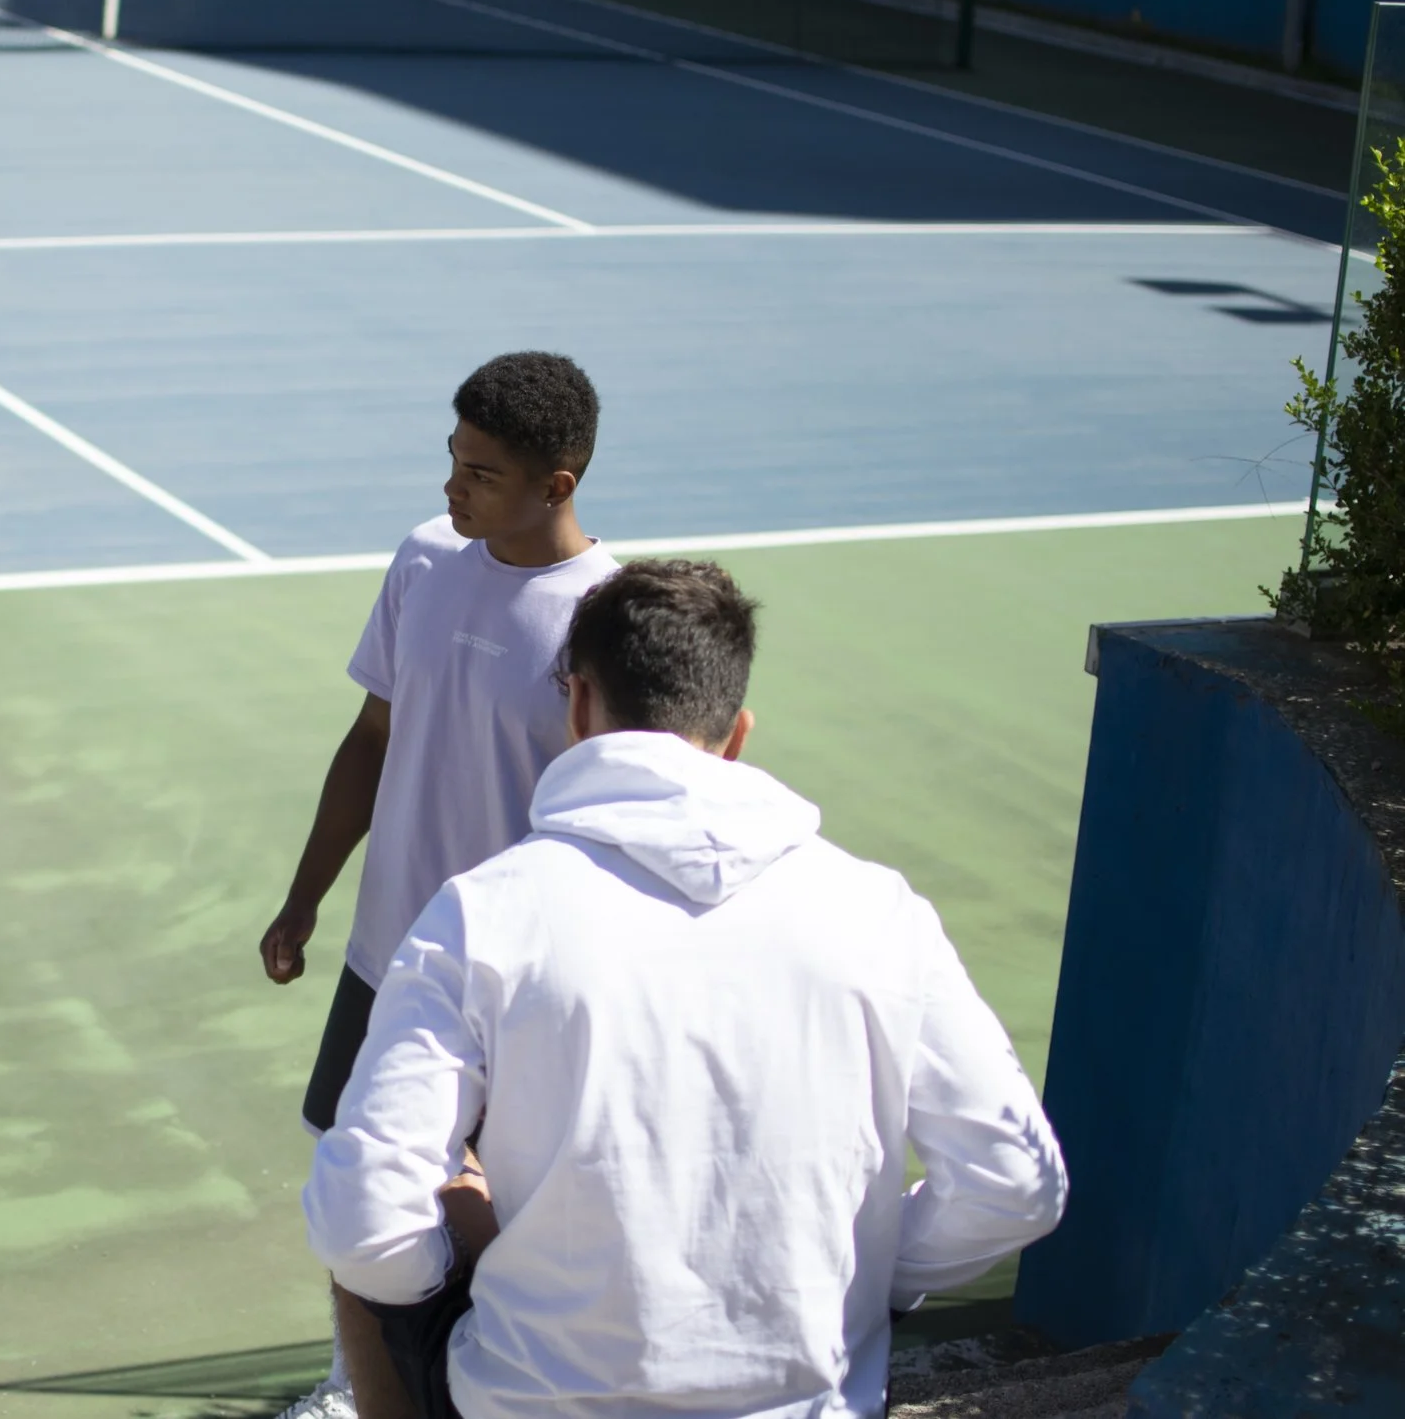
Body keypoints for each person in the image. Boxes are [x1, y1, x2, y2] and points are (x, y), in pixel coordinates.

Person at [305, 560, 1069, 1419]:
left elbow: (364, 1219)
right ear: (737, 733)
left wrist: (471, 1268)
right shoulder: (880, 910)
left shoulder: (482, 913)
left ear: (579, 704)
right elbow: (1016, 1185)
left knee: (403, 1196)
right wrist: (865, 1266)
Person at [261, 352, 621, 1419]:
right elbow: (374, 733)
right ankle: (355, 1387)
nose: (452, 489)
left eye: (481, 472)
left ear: (558, 485)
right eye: (452, 461)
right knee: (364, 1173)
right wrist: (305, 895)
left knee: (505, 1199)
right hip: (390, 953)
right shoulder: (424, 560)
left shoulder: (605, 616)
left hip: (517, 978)